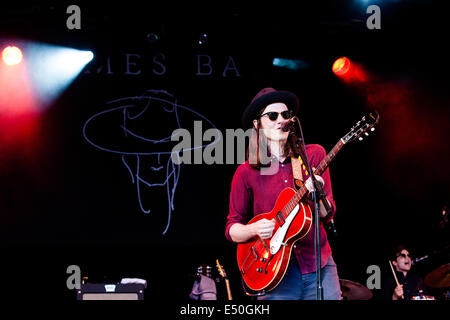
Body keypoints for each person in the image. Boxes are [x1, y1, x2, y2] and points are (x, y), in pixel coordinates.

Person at [225, 87, 342, 300]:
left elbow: (326, 214)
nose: (281, 120)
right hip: (274, 271)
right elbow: (232, 229)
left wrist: (319, 190)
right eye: (272, 115)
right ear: (256, 124)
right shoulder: (245, 172)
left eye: (286, 115)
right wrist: (254, 228)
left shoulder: (313, 155)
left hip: (318, 264)